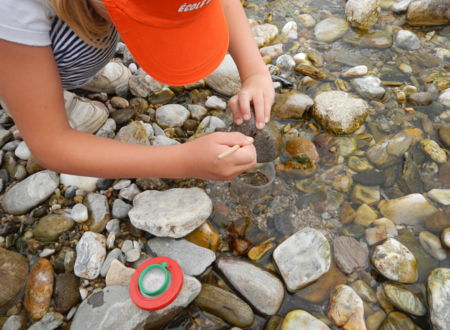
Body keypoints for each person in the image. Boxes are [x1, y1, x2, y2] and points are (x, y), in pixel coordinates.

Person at [0, 0, 274, 181]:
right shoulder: (15, 9)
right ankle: (43, 94)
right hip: (12, 51)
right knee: (62, 55)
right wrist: (183, 161)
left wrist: (255, 73)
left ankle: (69, 69)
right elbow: (51, 144)